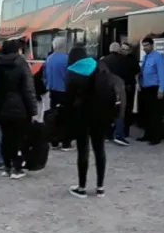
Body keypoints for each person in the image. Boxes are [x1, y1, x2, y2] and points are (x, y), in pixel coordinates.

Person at [64, 47, 115, 198]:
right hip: (101, 115)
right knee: (100, 150)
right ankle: (100, 188)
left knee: (83, 151)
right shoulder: (100, 67)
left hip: (81, 117)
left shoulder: (72, 72)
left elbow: (68, 99)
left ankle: (82, 188)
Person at [0, 39, 40, 179]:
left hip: (1, 105)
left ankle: (7, 166)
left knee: (6, 137)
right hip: (20, 107)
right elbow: (28, 89)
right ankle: (17, 168)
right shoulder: (21, 63)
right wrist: (33, 110)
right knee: (20, 138)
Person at [101, 42, 134, 146]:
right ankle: (119, 135)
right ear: (119, 50)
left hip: (107, 89)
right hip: (119, 89)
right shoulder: (124, 60)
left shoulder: (103, 60)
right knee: (119, 112)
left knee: (106, 111)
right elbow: (130, 74)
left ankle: (106, 134)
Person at [43, 36, 72, 151]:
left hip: (52, 92)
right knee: (66, 117)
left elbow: (44, 77)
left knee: (53, 116)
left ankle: (54, 141)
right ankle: (65, 143)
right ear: (63, 46)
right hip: (65, 92)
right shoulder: (67, 59)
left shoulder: (49, 59)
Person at [138, 36, 164, 145]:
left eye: (146, 45)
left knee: (155, 114)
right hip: (145, 89)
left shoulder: (158, 57)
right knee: (147, 114)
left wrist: (161, 90)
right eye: (143, 46)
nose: (145, 48)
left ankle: (156, 138)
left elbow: (162, 74)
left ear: (152, 45)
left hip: (154, 89)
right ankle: (147, 135)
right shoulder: (146, 57)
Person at [120, 42, 140, 138]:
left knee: (127, 108)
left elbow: (137, 70)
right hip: (123, 86)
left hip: (128, 86)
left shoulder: (132, 60)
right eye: (122, 49)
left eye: (125, 49)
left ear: (129, 50)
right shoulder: (119, 59)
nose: (123, 51)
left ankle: (125, 129)